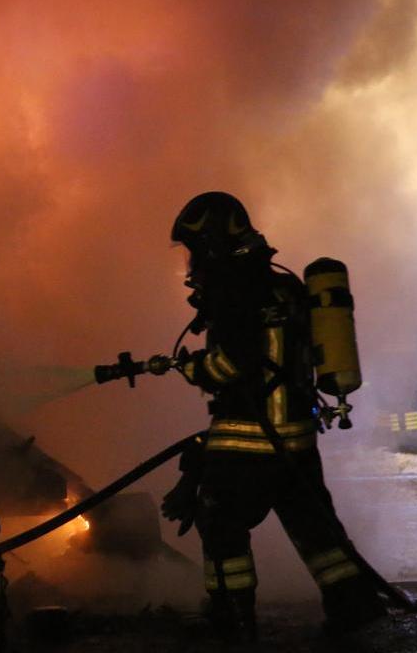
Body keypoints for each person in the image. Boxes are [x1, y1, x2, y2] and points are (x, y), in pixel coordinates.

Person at [158, 191, 385, 641]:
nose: (192, 261)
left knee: (218, 519)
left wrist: (193, 368)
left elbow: (232, 363)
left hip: (250, 436)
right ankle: (354, 605)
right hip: (297, 438)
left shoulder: (233, 288)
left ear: (214, 240)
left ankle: (231, 620)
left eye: (195, 247)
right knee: (314, 528)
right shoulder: (284, 285)